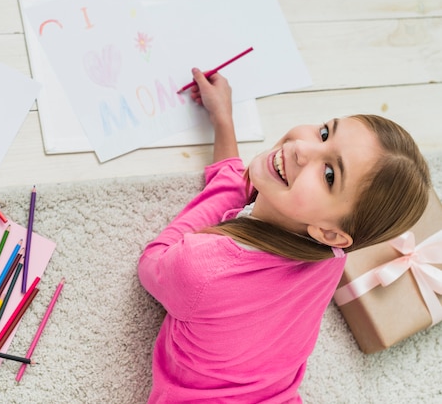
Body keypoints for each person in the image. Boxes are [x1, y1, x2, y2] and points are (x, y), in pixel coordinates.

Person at [137, 68, 431, 403]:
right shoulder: (331, 253)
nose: (302, 148)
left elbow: (152, 263)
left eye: (330, 174)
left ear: (331, 232)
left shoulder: (201, 268)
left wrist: (232, 186)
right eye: (324, 133)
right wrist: (223, 119)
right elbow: (245, 180)